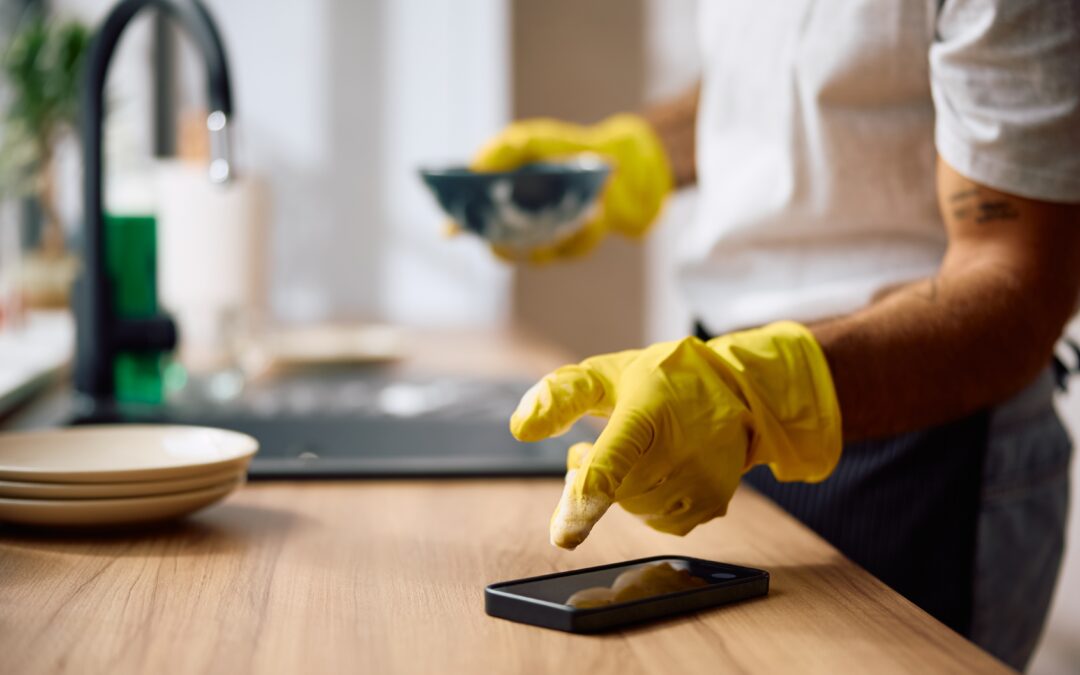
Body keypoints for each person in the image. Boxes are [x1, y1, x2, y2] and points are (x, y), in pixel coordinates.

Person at [467, 1, 1080, 670]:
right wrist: (630, 157)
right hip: (722, 412)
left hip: (924, 434)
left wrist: (757, 388)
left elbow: (1023, 282)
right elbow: (781, 75)